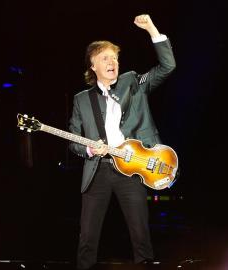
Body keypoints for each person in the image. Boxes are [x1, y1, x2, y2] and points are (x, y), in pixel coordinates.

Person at [68, 14, 176, 270]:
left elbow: (168, 66)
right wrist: (87, 148)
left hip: (131, 168)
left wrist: (151, 29)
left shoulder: (133, 83)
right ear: (92, 65)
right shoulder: (82, 99)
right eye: (105, 58)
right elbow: (72, 140)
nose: (112, 62)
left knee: (141, 237)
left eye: (115, 57)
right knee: (87, 239)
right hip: (98, 170)